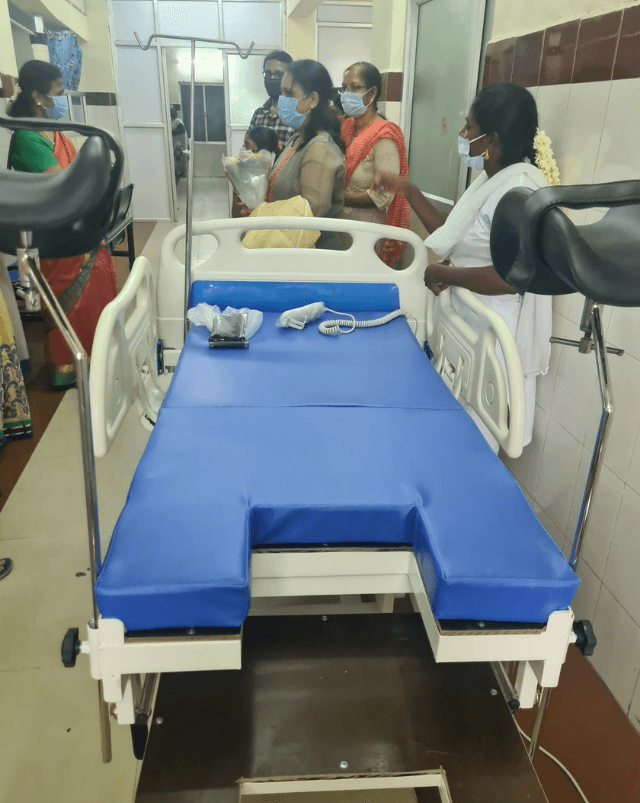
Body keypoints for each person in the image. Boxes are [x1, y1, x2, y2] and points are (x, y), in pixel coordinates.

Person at [377, 83, 558, 451]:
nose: (462, 134)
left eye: (469, 127)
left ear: (491, 140)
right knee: (454, 433)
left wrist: (445, 273)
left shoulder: (517, 190)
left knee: (476, 440)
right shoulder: (493, 180)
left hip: (494, 327)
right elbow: (456, 235)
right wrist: (409, 192)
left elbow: (513, 277)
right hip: (469, 320)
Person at [7, 60, 118, 388]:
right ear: (38, 96)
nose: (61, 100)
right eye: (57, 93)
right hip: (55, 230)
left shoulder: (52, 131)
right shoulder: (27, 138)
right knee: (70, 297)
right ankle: (67, 368)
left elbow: (76, 175)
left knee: (101, 274)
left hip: (77, 223)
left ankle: (97, 356)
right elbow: (59, 185)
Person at [267, 59, 345, 249]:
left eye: (289, 93)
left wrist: (263, 213)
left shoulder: (320, 148)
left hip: (310, 253)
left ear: (313, 100)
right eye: (282, 92)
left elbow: (310, 211)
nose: (282, 100)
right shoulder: (297, 139)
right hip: (287, 245)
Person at [338, 62, 410, 267]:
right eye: (344, 88)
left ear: (372, 93)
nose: (347, 94)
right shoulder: (345, 129)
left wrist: (339, 198)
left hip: (368, 235)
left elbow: (383, 196)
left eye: (354, 87)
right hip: (340, 231)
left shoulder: (384, 135)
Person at [248, 50, 296, 151]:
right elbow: (248, 149)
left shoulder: (298, 114)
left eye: (278, 74)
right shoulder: (258, 114)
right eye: (268, 74)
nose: (272, 78)